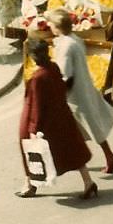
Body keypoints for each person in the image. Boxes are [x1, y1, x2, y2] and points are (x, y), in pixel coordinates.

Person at [16, 39, 97, 200]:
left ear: (32, 56)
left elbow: (37, 107)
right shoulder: (53, 67)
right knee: (72, 151)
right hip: (61, 116)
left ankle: (30, 184)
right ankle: (88, 182)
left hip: (43, 122)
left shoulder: (38, 77)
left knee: (31, 152)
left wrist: (33, 129)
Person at [47, 9, 113, 174]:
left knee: (83, 127)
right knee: (91, 125)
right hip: (84, 87)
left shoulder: (66, 46)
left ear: (57, 27)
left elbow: (65, 75)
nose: (49, 26)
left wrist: (58, 95)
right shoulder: (74, 39)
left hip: (75, 96)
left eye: (51, 23)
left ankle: (102, 158)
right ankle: (108, 156)